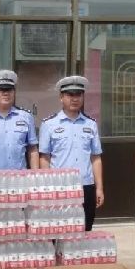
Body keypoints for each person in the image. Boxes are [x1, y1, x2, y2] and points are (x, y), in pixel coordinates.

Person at [39, 75, 104, 231]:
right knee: (58, 231)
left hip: (86, 185)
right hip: (60, 186)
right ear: (61, 97)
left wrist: (99, 188)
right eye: (70, 94)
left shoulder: (90, 124)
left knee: (85, 229)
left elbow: (96, 158)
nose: (75, 99)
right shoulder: (49, 124)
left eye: (78, 94)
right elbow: (45, 158)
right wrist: (46, 187)